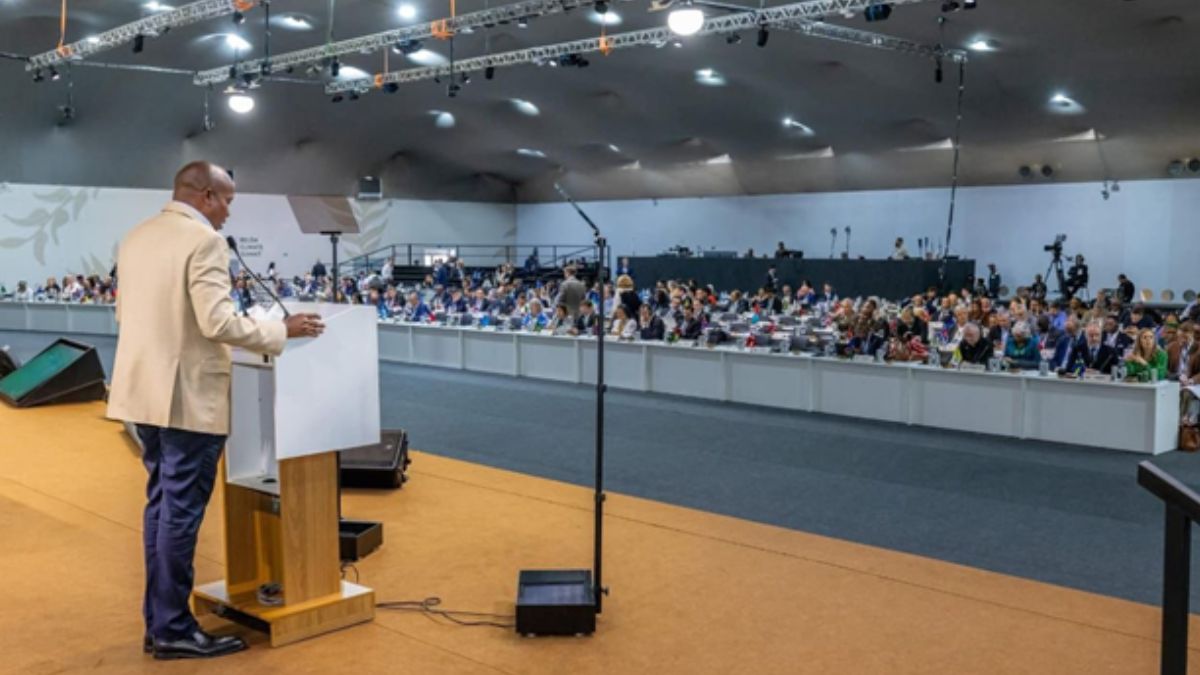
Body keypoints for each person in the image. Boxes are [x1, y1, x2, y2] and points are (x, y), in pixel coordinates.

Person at [106, 162, 323, 661]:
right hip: (187, 398)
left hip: (143, 393)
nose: (228, 212)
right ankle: (174, 629)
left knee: (161, 507)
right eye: (227, 201)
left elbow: (126, 313)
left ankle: (159, 622)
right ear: (205, 195)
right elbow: (217, 321)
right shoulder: (203, 243)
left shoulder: (137, 236)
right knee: (179, 514)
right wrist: (279, 331)